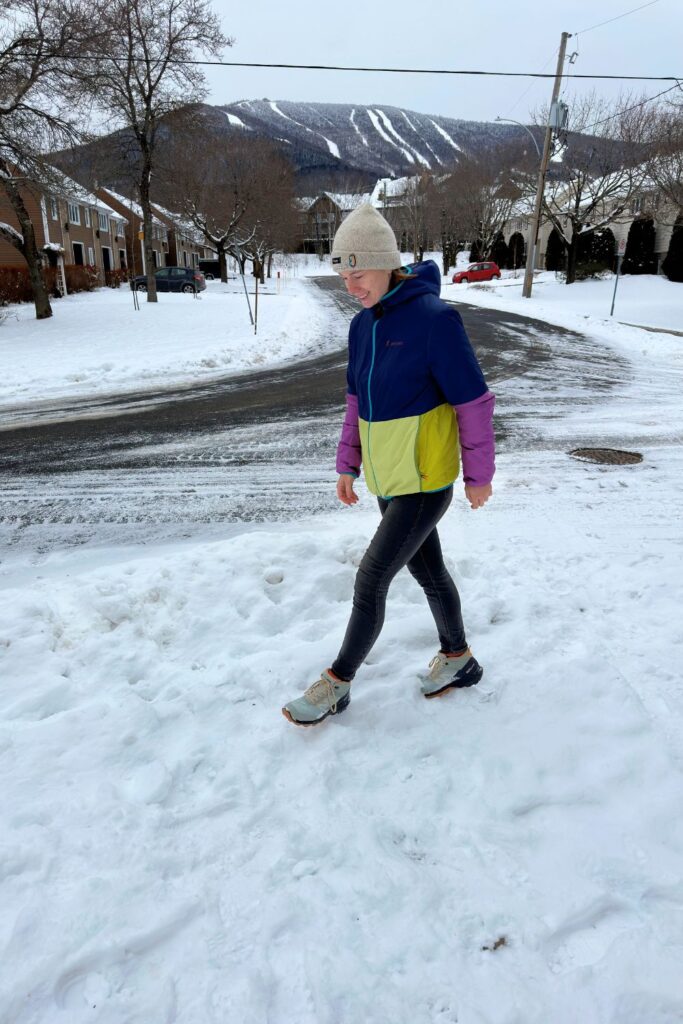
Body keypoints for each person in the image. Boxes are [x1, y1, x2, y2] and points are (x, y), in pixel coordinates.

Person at [282, 204, 495, 727]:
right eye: (343, 276)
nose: (351, 286)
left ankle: (337, 682)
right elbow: (356, 403)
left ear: (386, 264)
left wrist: (479, 476)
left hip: (425, 482)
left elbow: (472, 401)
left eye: (357, 274)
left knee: (371, 578)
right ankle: (459, 658)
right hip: (388, 479)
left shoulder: (436, 321)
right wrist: (346, 465)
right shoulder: (361, 327)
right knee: (430, 572)